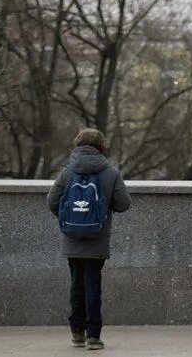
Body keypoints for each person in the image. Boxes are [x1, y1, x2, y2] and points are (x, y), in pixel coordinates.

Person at [44, 128, 132, 351]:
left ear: (78, 144)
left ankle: (77, 333)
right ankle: (94, 336)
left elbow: (51, 202)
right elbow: (124, 204)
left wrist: (68, 219)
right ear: (101, 146)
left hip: (72, 238)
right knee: (93, 283)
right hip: (98, 238)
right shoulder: (110, 173)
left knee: (76, 285)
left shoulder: (67, 172)